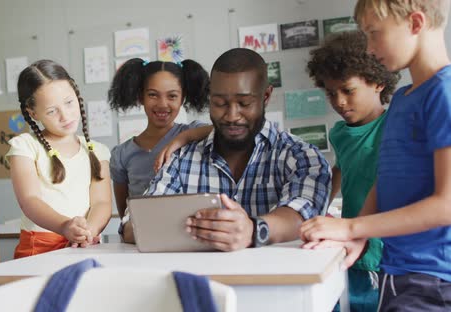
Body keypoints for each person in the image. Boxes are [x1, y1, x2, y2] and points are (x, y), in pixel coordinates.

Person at [300, 1, 451, 310]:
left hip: (434, 279)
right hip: (396, 270)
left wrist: (352, 227)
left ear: (415, 23)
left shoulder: (443, 95)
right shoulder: (402, 101)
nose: (369, 49)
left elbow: (446, 205)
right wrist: (357, 236)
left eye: (374, 33)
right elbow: (385, 180)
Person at [121, 48, 331, 251]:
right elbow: (133, 225)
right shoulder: (181, 159)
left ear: (265, 97)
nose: (232, 115)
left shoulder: (300, 156)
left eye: (244, 103)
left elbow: (303, 213)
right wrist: (208, 230)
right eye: (220, 103)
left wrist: (253, 229)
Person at [306, 30, 400, 312]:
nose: (339, 102)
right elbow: (340, 168)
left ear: (378, 83)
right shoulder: (340, 133)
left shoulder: (394, 125)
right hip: (349, 241)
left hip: (383, 248)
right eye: (331, 93)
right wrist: (320, 207)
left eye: (348, 90)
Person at [7, 60, 112, 259]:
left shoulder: (97, 151)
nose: (65, 116)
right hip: (37, 250)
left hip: (84, 246)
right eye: (52, 111)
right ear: (33, 113)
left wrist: (86, 232)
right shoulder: (24, 146)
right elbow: (30, 200)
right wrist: (65, 226)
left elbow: (102, 202)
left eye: (69, 102)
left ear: (76, 95)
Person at [108, 58, 210, 217]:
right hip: (144, 236)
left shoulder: (194, 134)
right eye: (153, 95)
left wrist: (184, 137)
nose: (163, 104)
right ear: (140, 97)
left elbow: (222, 130)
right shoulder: (121, 154)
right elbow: (125, 217)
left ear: (182, 98)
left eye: (172, 96)